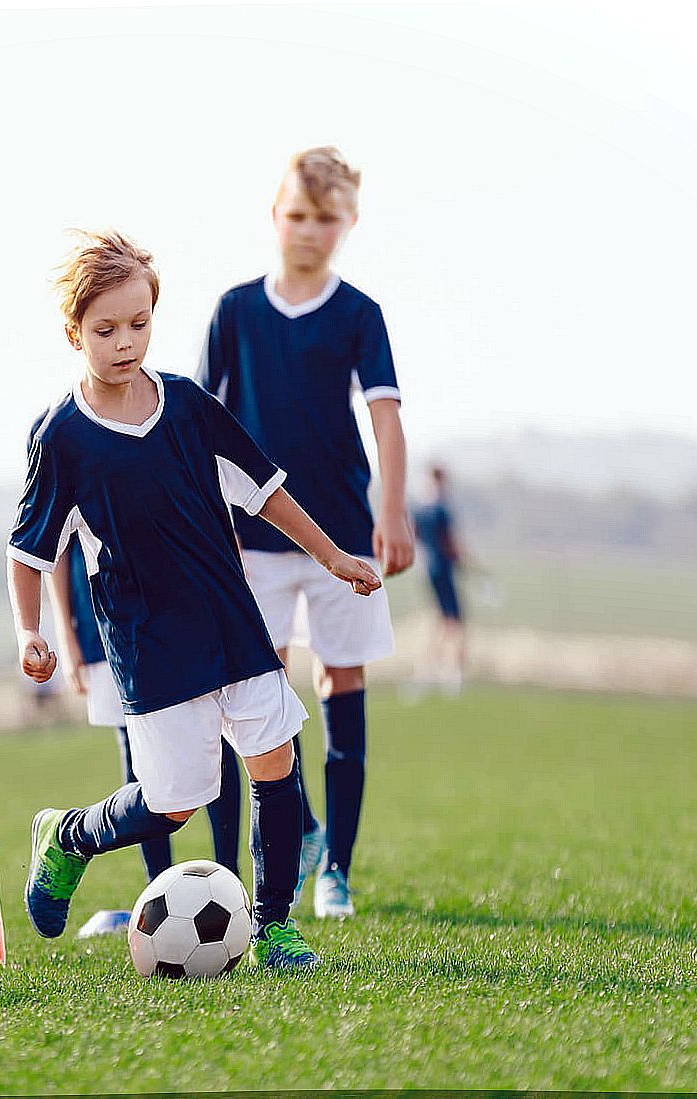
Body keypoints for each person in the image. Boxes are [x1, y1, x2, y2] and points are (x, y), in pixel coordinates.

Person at [8, 230, 381, 970]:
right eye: (105, 329)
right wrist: (31, 633)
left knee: (274, 760)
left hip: (231, 622)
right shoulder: (63, 439)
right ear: (72, 332)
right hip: (152, 648)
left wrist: (334, 554)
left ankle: (273, 925)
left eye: (139, 324)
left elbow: (267, 492)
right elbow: (27, 551)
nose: (125, 342)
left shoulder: (188, 406)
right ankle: (69, 835)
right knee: (172, 801)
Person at [199, 146, 413, 920]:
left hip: (343, 542)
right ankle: (235, 874)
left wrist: (391, 513)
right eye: (297, 215)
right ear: (273, 215)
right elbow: (199, 429)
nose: (309, 231)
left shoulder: (360, 315)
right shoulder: (235, 312)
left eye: (326, 218)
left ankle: (338, 873)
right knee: (252, 704)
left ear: (348, 223)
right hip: (251, 545)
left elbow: (385, 420)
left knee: (340, 686)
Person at [49, 537, 243, 938]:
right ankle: (156, 894)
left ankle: (233, 883)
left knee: (212, 731)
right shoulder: (67, 471)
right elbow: (54, 544)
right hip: (104, 622)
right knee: (136, 751)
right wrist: (66, 639)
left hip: (181, 605)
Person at [412, 463, 468, 694]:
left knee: (439, 620)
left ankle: (426, 671)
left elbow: (414, 537)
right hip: (443, 567)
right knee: (455, 621)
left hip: (426, 569)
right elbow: (451, 543)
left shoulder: (420, 508)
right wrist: (467, 563)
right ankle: (451, 673)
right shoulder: (440, 509)